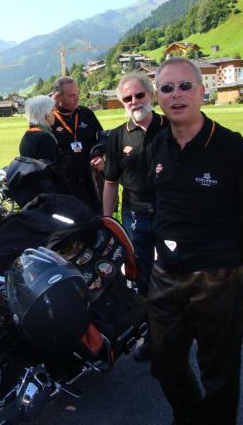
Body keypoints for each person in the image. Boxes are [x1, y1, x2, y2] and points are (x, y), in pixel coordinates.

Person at [146, 57, 243, 424]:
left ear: (202, 93)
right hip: (165, 273)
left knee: (219, 374)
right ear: (158, 97)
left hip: (216, 277)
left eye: (185, 86)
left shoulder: (230, 146)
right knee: (164, 364)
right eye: (167, 88)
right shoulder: (157, 145)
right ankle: (191, 417)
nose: (177, 94)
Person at [102, 72, 169, 362]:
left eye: (139, 95)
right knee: (141, 276)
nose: (134, 101)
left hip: (170, 214)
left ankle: (177, 329)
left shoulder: (171, 126)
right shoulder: (117, 137)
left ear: (151, 95)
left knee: (174, 273)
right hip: (135, 215)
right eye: (127, 98)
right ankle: (153, 336)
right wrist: (106, 221)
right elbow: (110, 183)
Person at [51, 76, 104, 210]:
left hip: (90, 179)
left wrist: (99, 155)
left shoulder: (86, 113)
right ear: (57, 97)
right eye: (71, 95)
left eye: (77, 93)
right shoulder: (49, 118)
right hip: (64, 185)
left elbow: (102, 137)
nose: (77, 98)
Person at [19, 95, 58, 161]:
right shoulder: (45, 138)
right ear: (45, 114)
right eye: (52, 111)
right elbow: (51, 165)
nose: (54, 114)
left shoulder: (27, 135)